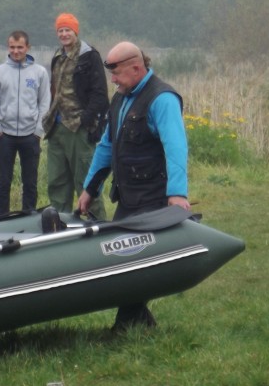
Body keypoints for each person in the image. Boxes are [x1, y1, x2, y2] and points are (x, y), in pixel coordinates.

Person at [79, 42, 190, 331]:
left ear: (136, 68)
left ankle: (126, 327)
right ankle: (139, 324)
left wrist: (177, 194)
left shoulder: (162, 99)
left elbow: (176, 147)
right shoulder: (120, 99)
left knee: (132, 261)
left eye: (116, 73)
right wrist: (90, 188)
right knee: (120, 260)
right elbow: (106, 146)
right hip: (128, 196)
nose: (113, 80)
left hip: (153, 196)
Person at [43, 13, 109, 220]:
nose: (64, 34)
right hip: (56, 127)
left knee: (86, 183)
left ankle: (99, 226)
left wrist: (86, 120)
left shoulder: (89, 56)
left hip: (78, 128)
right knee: (57, 183)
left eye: (68, 30)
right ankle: (61, 225)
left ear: (75, 31)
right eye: (60, 30)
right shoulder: (57, 55)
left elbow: (100, 94)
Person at [0, 30, 51, 215]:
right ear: (8, 47)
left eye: (20, 47)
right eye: (12, 47)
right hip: (5, 135)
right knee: (3, 181)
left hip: (30, 135)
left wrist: (38, 130)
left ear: (27, 47)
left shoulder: (39, 73)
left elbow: (44, 102)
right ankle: (1, 218)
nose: (16, 51)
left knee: (30, 182)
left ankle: (28, 216)